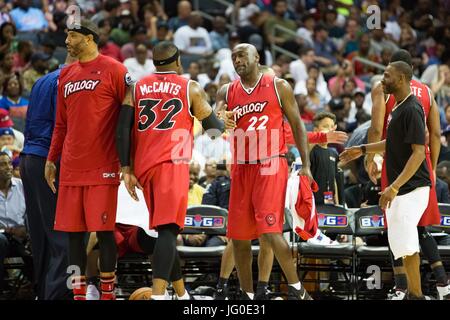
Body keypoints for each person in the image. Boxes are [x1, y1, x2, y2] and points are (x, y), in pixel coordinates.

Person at [116, 41, 234, 300]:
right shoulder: (189, 87)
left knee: (164, 231)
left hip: (144, 168)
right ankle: (159, 296)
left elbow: (122, 127)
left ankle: (181, 295)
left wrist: (126, 167)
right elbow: (214, 131)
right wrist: (221, 118)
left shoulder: (136, 87)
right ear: (177, 60)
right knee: (168, 231)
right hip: (172, 164)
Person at [215, 43, 313, 300]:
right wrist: (219, 119)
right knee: (238, 237)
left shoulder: (278, 86)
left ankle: (296, 289)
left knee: (270, 230)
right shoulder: (226, 91)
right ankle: (248, 296)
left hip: (271, 163)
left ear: (257, 57)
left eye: (242, 55)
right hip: (241, 167)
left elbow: (298, 128)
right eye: (233, 57)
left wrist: (306, 165)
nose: (237, 60)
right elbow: (213, 130)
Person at [45, 19, 130, 300]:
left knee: (104, 232)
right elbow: (60, 124)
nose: (67, 41)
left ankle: (107, 294)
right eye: (66, 35)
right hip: (70, 167)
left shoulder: (115, 70)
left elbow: (128, 120)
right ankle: (78, 294)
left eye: (72, 35)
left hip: (103, 166)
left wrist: (128, 163)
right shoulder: (65, 75)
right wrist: (51, 159)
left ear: (90, 38)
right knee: (72, 236)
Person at [340, 61, 431, 300]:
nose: (382, 79)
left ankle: (417, 295)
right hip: (401, 188)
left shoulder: (412, 108)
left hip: (412, 187)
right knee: (401, 245)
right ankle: (413, 293)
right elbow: (391, 142)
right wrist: (361, 149)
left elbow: (419, 152)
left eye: (387, 76)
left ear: (401, 79)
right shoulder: (397, 107)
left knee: (409, 245)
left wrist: (394, 186)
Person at [366, 49, 450, 300]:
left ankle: (404, 288)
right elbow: (435, 135)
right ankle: (442, 285)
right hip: (421, 163)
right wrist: (432, 167)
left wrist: (373, 159)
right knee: (419, 229)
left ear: (399, 72)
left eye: (387, 71)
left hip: (399, 162)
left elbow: (376, 127)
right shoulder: (426, 91)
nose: (384, 76)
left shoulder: (386, 91)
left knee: (399, 228)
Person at [20, 57, 77, 300]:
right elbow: (63, 127)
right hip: (50, 162)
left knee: (41, 237)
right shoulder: (67, 83)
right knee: (64, 238)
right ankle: (55, 296)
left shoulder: (42, 81)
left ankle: (41, 293)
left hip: (28, 158)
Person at [85, 182, 190, 300]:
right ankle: (93, 284)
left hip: (139, 227)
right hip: (113, 225)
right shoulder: (105, 176)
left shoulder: (147, 175)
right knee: (96, 236)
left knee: (157, 238)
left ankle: (160, 287)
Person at [0, 152, 30, 295]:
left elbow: (31, 214)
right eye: (2, 164)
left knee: (36, 244)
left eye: (9, 163)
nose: (8, 167)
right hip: (1, 239)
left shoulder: (22, 186)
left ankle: (38, 289)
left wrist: (27, 230)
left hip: (21, 238)